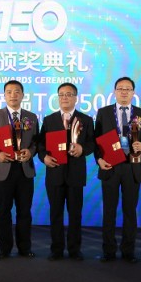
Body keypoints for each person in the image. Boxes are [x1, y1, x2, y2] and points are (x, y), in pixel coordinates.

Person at [0, 80, 39, 259]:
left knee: (24, 211)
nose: (13, 95)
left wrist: (31, 151)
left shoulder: (31, 117)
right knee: (4, 210)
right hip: (2, 169)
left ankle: (24, 247)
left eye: (17, 91)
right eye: (9, 92)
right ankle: (4, 247)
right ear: (4, 95)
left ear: (23, 95)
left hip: (24, 170)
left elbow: (37, 141)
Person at [38, 82, 95, 260]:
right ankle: (56, 249)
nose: (65, 97)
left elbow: (92, 143)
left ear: (76, 98)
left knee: (75, 214)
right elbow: (40, 145)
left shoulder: (86, 120)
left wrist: (82, 149)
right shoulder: (49, 120)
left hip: (75, 174)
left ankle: (74, 249)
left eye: (69, 94)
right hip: (55, 172)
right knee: (55, 213)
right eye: (61, 94)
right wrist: (44, 157)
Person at [94, 77, 141, 263]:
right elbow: (96, 140)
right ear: (114, 92)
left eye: (128, 89)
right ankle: (108, 251)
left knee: (130, 211)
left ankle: (128, 251)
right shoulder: (104, 113)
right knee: (109, 211)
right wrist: (99, 159)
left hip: (132, 166)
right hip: (110, 166)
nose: (124, 92)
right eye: (120, 88)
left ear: (133, 92)